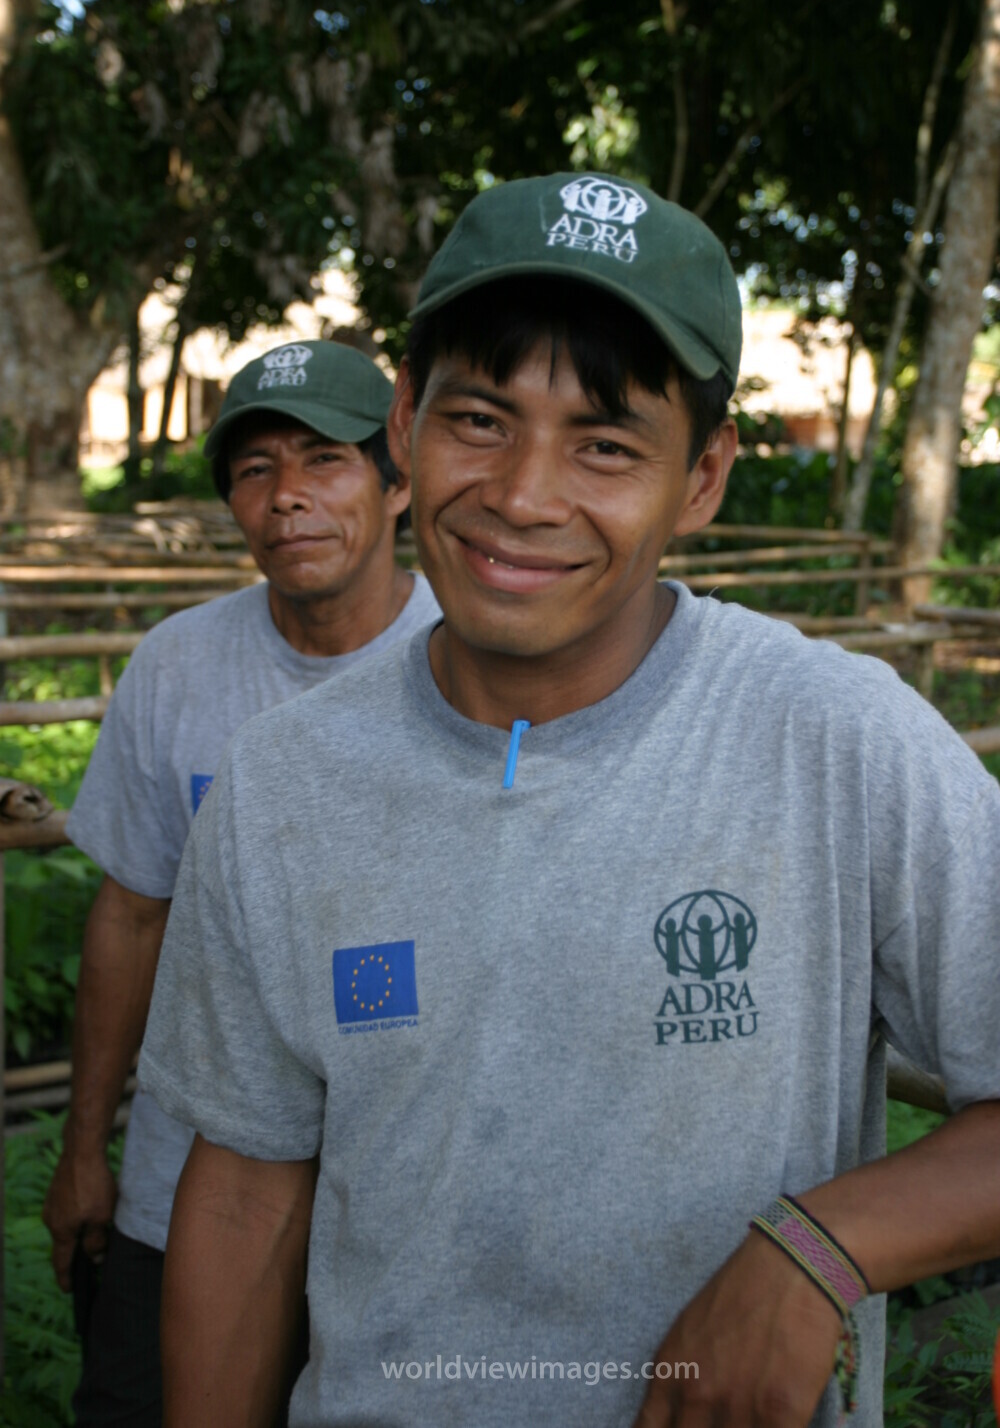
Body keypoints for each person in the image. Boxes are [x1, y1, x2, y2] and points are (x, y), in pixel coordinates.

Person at [138, 175, 1000, 1428]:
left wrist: (820, 1247)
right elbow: (243, 1194)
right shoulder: (283, 783)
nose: (525, 495)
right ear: (405, 424)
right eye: (479, 419)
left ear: (701, 479)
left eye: (604, 444)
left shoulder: (837, 741)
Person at [43, 338, 440, 1427]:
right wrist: (88, 1151)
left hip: (397, 1193)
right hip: (187, 1180)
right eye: (256, 470)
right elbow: (130, 913)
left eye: (325, 460)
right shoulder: (179, 666)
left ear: (397, 479)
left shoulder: (470, 662)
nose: (288, 498)